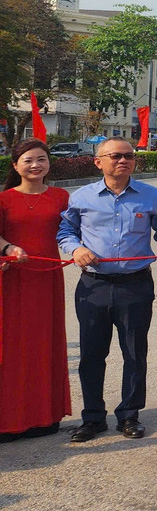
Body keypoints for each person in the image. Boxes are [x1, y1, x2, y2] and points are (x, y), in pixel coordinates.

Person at [59, 137, 157, 442]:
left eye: (129, 156)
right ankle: (93, 417)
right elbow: (66, 230)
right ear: (98, 162)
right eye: (115, 156)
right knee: (91, 354)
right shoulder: (81, 197)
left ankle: (129, 415)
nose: (123, 160)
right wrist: (76, 249)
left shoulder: (150, 195)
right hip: (94, 286)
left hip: (135, 285)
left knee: (135, 352)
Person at [0, 140, 70, 442]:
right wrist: (7, 248)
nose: (35, 165)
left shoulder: (61, 197)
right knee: (13, 347)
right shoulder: (3, 199)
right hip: (13, 280)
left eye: (41, 159)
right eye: (28, 160)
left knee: (44, 344)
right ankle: (9, 420)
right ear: (15, 165)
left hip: (47, 279)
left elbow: (76, 230)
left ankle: (44, 416)